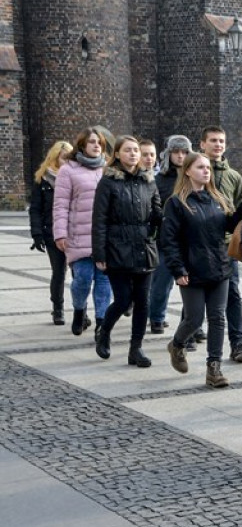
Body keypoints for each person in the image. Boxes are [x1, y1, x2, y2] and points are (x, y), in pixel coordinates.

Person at [161, 152, 242, 387]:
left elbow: (227, 224)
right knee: (194, 319)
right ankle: (177, 344)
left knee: (217, 318)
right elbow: (169, 240)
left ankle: (214, 368)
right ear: (187, 171)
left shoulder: (215, 198)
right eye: (200, 167)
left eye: (208, 167)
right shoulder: (177, 203)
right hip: (192, 269)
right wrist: (178, 269)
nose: (206, 171)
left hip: (219, 267)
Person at [91, 135, 162, 367]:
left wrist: (159, 223)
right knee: (122, 300)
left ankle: (136, 348)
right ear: (118, 154)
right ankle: (104, 332)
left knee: (143, 301)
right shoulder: (108, 182)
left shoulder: (149, 180)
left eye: (136, 151)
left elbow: (157, 210)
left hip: (143, 248)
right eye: (128, 150)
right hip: (117, 247)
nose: (133, 154)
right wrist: (100, 254)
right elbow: (99, 219)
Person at [53, 128, 112, 337]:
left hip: (104, 238)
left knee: (104, 281)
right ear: (82, 145)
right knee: (83, 279)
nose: (97, 146)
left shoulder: (108, 169)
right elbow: (60, 204)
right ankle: (79, 310)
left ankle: (101, 323)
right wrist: (60, 233)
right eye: (92, 142)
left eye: (100, 143)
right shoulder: (68, 170)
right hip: (79, 236)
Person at [200, 126, 242, 363]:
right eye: (212, 141)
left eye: (221, 141)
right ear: (202, 144)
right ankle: (187, 334)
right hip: (200, 245)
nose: (217, 145)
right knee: (197, 292)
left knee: (232, 294)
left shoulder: (234, 176)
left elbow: (239, 209)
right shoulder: (194, 172)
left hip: (226, 245)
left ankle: (237, 343)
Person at [149, 135, 192, 336]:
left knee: (192, 286)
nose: (180, 156)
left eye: (184, 152)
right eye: (176, 152)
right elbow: (153, 207)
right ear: (169, 153)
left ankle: (192, 323)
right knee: (162, 281)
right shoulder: (159, 179)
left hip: (191, 239)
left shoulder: (193, 177)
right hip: (166, 238)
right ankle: (157, 317)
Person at [30, 140, 73, 325]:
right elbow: (36, 209)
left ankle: (81, 310)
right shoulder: (43, 180)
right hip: (51, 231)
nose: (67, 162)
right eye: (64, 158)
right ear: (54, 158)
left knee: (80, 273)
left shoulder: (75, 177)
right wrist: (37, 234)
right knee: (59, 272)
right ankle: (58, 309)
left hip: (74, 231)